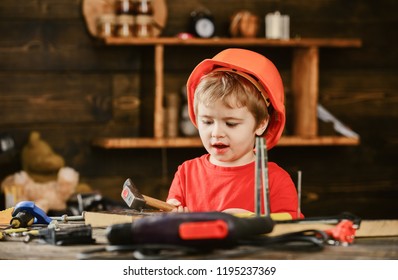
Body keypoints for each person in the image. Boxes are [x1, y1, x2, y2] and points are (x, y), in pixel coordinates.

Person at [167, 48, 302, 219]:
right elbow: (169, 226)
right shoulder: (186, 174)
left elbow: (293, 229)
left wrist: (252, 221)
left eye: (231, 123)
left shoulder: (276, 180)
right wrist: (170, 217)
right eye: (207, 122)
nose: (216, 133)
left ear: (261, 123)